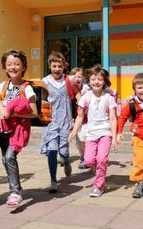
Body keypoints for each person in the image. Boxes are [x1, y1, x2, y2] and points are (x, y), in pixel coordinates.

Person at [0, 49, 38, 208]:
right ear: (5, 68)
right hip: (4, 129)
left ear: (23, 67)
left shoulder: (26, 88)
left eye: (17, 64)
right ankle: (16, 189)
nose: (13, 67)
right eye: (9, 64)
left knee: (9, 158)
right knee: (6, 160)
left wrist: (12, 113)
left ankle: (15, 192)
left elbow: (34, 113)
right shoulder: (2, 86)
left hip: (19, 130)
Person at [68, 64, 117, 197]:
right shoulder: (86, 97)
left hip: (105, 133)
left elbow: (113, 119)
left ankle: (99, 186)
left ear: (104, 81)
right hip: (91, 134)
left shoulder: (108, 98)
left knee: (101, 159)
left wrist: (114, 136)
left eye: (100, 79)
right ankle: (100, 173)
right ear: (89, 81)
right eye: (93, 79)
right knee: (88, 161)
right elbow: (79, 116)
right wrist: (74, 131)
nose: (96, 82)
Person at [40, 51, 76, 193]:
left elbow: (80, 93)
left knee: (64, 151)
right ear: (50, 66)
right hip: (50, 121)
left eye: (59, 66)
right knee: (52, 150)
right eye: (54, 66)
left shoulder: (69, 81)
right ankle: (53, 180)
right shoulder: (45, 82)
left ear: (64, 67)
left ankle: (66, 162)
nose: (57, 69)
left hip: (65, 120)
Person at [70, 67, 89, 169]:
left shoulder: (87, 88)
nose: (77, 78)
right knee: (79, 141)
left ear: (83, 78)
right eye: (75, 76)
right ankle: (83, 157)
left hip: (86, 117)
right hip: (74, 117)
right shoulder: (70, 87)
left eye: (79, 76)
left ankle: (87, 157)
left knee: (84, 138)